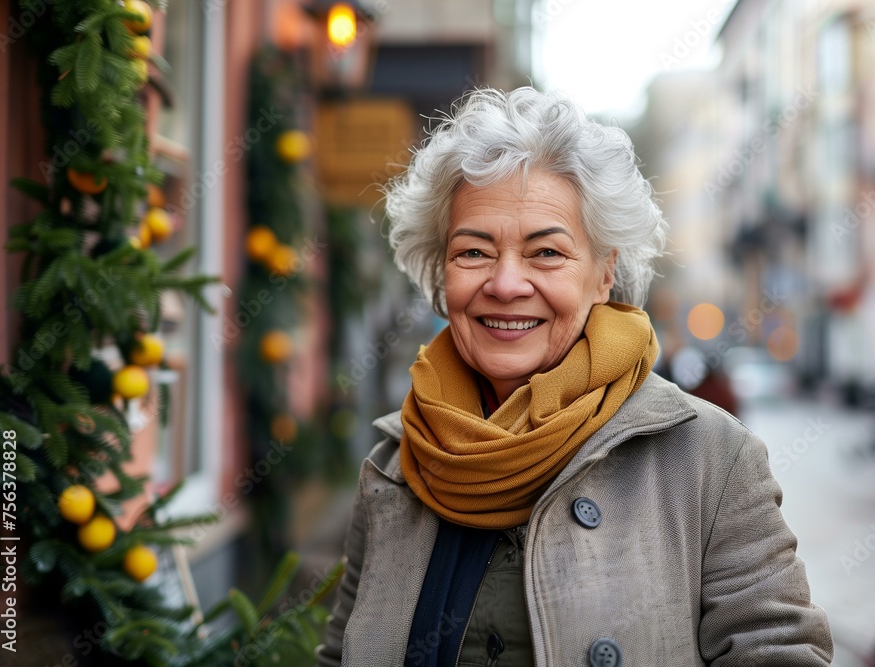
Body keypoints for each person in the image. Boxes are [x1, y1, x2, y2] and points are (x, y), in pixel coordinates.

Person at [316, 87, 833, 667]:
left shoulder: (710, 459)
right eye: (474, 252)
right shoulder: (396, 463)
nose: (506, 284)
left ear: (604, 274)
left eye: (546, 254)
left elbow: (780, 652)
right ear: (442, 274)